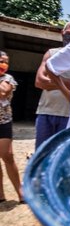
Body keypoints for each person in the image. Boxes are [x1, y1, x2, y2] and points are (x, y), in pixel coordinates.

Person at [34, 21, 70, 149]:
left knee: (61, 154)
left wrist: (53, 80)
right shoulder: (51, 53)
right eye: (68, 33)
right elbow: (39, 82)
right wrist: (67, 84)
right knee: (42, 154)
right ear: (62, 33)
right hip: (46, 112)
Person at [0, 51, 22, 203]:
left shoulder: (9, 79)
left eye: (6, 62)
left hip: (4, 122)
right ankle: (1, 195)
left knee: (7, 156)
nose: (4, 64)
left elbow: (3, 92)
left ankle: (21, 193)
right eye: (1, 61)